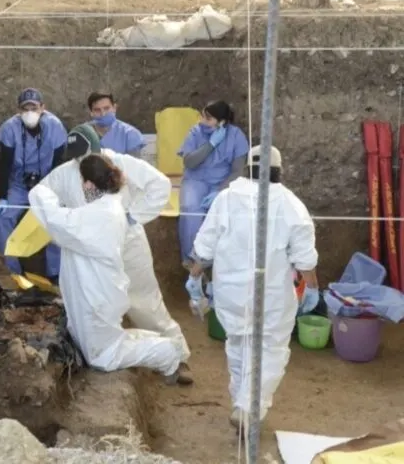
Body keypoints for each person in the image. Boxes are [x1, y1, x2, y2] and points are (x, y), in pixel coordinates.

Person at [42, 124, 194, 384]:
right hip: (91, 248)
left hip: (127, 241)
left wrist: (133, 216)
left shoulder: (120, 162)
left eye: (85, 156)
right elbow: (46, 192)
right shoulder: (66, 173)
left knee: (145, 300)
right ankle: (119, 345)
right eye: (77, 157)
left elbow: (160, 184)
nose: (81, 162)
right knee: (98, 301)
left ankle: (177, 355)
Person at [188, 145, 318, 430]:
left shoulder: (226, 199)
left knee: (238, 344)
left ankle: (240, 402)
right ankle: (249, 407)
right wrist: (312, 288)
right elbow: (304, 257)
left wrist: (195, 279)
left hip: (231, 293)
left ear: (247, 168)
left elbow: (204, 245)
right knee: (269, 349)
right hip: (271, 295)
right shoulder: (290, 204)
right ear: (279, 170)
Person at [0, 87, 68, 279]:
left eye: (33, 107)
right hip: (19, 183)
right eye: (25, 108)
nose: (29, 112)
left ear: (43, 108)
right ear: (18, 111)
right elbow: (5, 164)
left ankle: (55, 274)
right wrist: (3, 197)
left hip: (48, 182)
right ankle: (11, 271)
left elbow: (60, 164)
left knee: (56, 219)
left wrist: (57, 193)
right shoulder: (10, 128)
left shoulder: (55, 127)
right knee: (1, 218)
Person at [178, 100, 249, 269]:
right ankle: (191, 260)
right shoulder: (195, 133)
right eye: (202, 116)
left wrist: (220, 190)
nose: (202, 121)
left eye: (208, 119)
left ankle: (219, 262)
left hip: (223, 181)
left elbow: (238, 171)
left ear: (222, 122)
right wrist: (210, 145)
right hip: (195, 180)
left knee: (225, 213)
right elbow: (189, 162)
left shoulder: (236, 136)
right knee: (190, 210)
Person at [87, 91, 146, 157]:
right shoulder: (81, 133)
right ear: (91, 112)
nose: (103, 114)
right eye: (97, 110)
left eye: (106, 108)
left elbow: (134, 165)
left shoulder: (130, 134)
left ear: (114, 108)